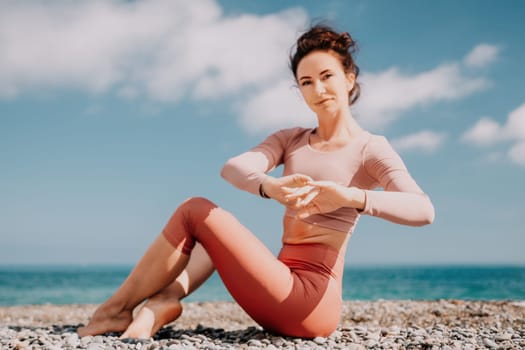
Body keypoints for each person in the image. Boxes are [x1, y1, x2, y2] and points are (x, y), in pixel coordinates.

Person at [77, 24, 434, 339]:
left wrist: (349, 196)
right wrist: (270, 186)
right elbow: (233, 168)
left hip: (310, 302)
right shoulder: (291, 138)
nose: (318, 88)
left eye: (327, 76)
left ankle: (115, 311)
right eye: (306, 82)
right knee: (207, 239)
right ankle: (165, 301)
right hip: (279, 286)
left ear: (349, 78)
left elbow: (422, 209)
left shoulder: (371, 148)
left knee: (194, 211)